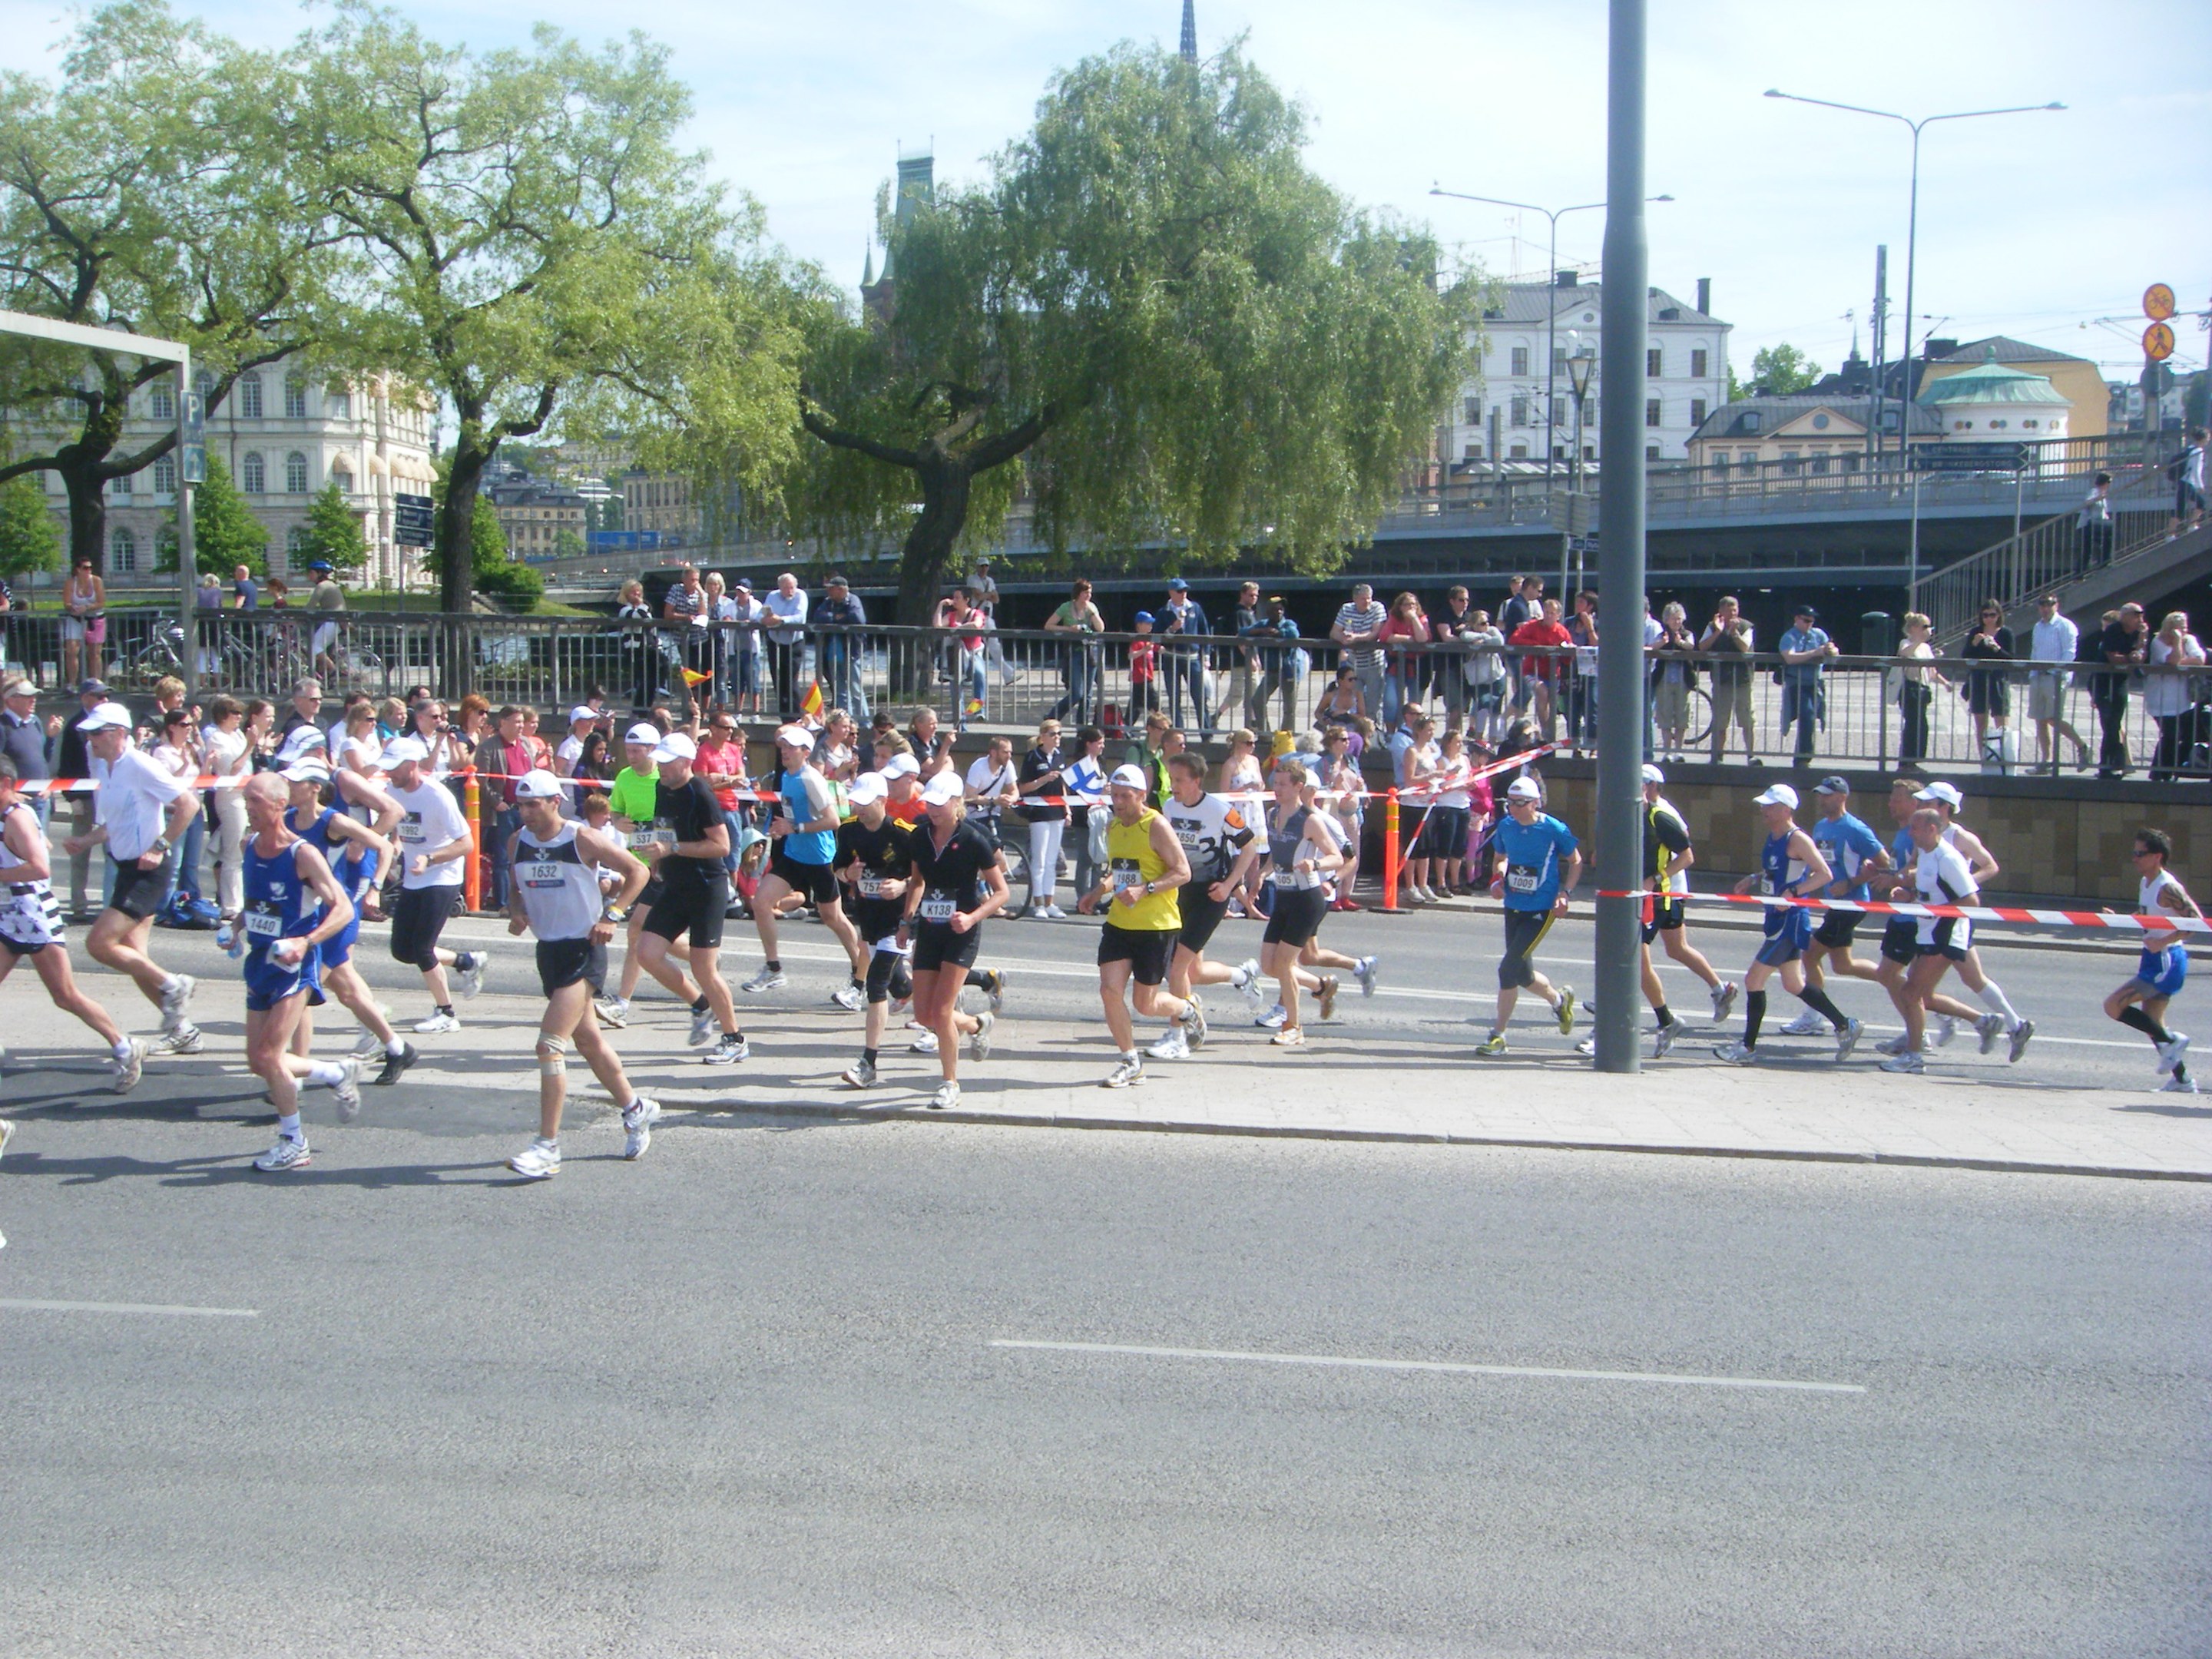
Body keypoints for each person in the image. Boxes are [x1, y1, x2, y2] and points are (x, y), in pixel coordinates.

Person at [500, 768, 660, 1177]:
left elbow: (637, 872)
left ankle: (547, 1146)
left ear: (556, 802)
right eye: (522, 804)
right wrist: (517, 912)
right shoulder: (517, 841)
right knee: (589, 1042)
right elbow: (515, 887)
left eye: (534, 804)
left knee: (549, 1045)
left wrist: (613, 914)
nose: (527, 812)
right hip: (549, 952)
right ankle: (635, 1108)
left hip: (584, 951)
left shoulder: (581, 837)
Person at [59, 701, 204, 1048]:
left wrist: (161, 846)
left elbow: (189, 805)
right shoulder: (105, 767)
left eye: (97, 732)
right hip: (126, 866)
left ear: (120, 734)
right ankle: (182, 1032)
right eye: (88, 732)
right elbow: (117, 822)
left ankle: (173, 983)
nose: (90, 738)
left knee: (98, 943)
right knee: (133, 956)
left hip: (147, 870)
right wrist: (85, 840)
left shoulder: (141, 764)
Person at [0, 757, 144, 1091]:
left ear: (6, 784)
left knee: (65, 995)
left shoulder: (17, 817)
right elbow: (44, 844)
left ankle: (124, 1044)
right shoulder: (14, 815)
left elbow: (41, 867)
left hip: (33, 916)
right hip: (10, 915)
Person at [1710, 783, 1863, 1065]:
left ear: (1785, 810)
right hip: (1774, 916)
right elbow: (1775, 868)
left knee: (1753, 980)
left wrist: (1795, 893)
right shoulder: (1773, 836)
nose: (1763, 811)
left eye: (1769, 806)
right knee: (1794, 984)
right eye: (1763, 805)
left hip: (1790, 920)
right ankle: (1845, 1025)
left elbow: (1824, 874)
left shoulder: (1798, 839)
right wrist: (1754, 879)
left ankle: (1747, 1047)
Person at [628, 731, 748, 1064]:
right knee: (647, 953)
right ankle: (699, 1005)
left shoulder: (701, 794)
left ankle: (734, 1038)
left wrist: (673, 849)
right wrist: (656, 856)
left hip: (707, 886)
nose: (660, 767)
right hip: (676, 882)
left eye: (667, 762)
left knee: (704, 967)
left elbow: (722, 846)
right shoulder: (661, 787)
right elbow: (663, 825)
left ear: (685, 763)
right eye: (660, 760)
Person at [1079, 763, 1202, 1080]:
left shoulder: (1156, 825)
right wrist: (1097, 892)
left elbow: (1183, 872)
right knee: (1109, 991)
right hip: (1120, 924)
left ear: (1141, 796)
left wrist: (1144, 889)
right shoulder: (1114, 827)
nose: (1118, 803)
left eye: (1125, 797)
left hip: (1156, 926)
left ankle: (1187, 1010)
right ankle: (1130, 1062)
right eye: (1114, 796)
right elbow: (1120, 873)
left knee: (1145, 1004)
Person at [903, 770, 1008, 1108]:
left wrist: (973, 916)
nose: (932, 810)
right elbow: (917, 882)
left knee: (943, 1009)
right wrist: (907, 920)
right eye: (929, 803)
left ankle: (949, 1083)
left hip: (962, 931)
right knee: (924, 1015)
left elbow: (1002, 892)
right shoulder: (920, 837)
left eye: (939, 804)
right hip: (930, 929)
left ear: (956, 803)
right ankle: (977, 1024)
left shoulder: (974, 839)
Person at [1908, 780, 2034, 1061]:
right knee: (1966, 979)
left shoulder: (1960, 838)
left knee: (1923, 987)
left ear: (1943, 807)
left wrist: (1963, 886)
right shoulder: (1926, 835)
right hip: (1933, 917)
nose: (1921, 806)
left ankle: (1998, 1024)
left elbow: (1990, 866)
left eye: (1928, 802)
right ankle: (2008, 1025)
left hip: (1954, 916)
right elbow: (1917, 869)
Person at [1153, 751, 1264, 1058]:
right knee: (1194, 972)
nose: (1173, 786)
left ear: (1197, 781)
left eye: (1179, 780)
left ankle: (1178, 1036)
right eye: (1171, 779)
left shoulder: (1220, 810)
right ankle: (1243, 976)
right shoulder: (1170, 807)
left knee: (1176, 968)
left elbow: (1250, 846)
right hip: (1181, 894)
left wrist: (1229, 885)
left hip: (1211, 895)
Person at [744, 725, 865, 1005]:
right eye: (783, 746)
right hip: (794, 854)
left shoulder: (812, 779)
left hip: (819, 857)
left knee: (832, 918)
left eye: (791, 747)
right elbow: (791, 815)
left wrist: (794, 827)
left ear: (806, 752)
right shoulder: (787, 776)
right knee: (761, 902)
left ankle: (862, 975)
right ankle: (773, 969)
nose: (784, 751)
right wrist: (782, 829)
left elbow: (833, 821)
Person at [379, 735, 487, 1032]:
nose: (389, 773)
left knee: (423, 948)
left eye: (394, 768)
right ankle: (466, 962)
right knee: (403, 950)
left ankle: (447, 1013)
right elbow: (399, 824)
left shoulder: (437, 796)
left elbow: (466, 843)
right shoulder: (392, 791)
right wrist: (395, 844)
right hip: (413, 878)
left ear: (412, 766)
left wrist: (431, 858)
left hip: (442, 877)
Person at [1634, 764, 1734, 1051]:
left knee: (1636, 958)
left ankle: (1654, 1018)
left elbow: (1684, 848)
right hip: (1660, 891)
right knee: (1676, 948)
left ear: (1651, 786)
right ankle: (1719, 989)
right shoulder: (1636, 810)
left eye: (1643, 783)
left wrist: (1656, 877)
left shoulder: (1661, 812)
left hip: (1664, 893)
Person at [1878, 807, 1985, 1075]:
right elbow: (1932, 895)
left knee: (1911, 993)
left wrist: (1937, 912)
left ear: (1932, 829)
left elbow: (1972, 901)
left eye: (1915, 828)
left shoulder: (1948, 858)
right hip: (1927, 933)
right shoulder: (1925, 856)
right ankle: (1983, 1022)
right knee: (1921, 995)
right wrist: (1909, 896)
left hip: (1945, 935)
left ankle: (1914, 1055)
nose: (1910, 832)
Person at [1475, 777, 1578, 1055]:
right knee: (1522, 972)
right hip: (1514, 905)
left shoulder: (1553, 829)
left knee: (1508, 969)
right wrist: (1498, 878)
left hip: (1542, 909)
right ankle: (1559, 1001)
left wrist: (1566, 893)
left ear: (1535, 804)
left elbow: (1576, 860)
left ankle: (1498, 1035)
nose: (1513, 809)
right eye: (1509, 802)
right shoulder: (1506, 826)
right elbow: (1500, 857)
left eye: (1519, 803)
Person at [832, 773, 916, 1088]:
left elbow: (925, 875)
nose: (860, 809)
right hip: (870, 918)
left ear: (883, 801)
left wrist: (903, 884)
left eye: (867, 803)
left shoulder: (904, 834)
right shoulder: (849, 830)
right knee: (902, 987)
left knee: (877, 984)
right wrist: (846, 873)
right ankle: (971, 1011)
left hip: (901, 920)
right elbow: (837, 868)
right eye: (857, 802)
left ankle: (868, 1063)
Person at [2104, 828, 2200, 1094]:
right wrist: (2122, 918)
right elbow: (2148, 914)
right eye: (2134, 852)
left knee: (2113, 1006)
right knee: (2152, 1023)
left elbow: (2195, 922)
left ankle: (2173, 1040)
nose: (2135, 858)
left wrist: (2163, 941)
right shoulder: (2146, 882)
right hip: (2152, 958)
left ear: (2157, 856)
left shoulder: (2167, 886)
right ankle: (2183, 1080)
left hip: (2166, 961)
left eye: (2140, 853)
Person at [2027, 594, 2091, 773]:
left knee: (2053, 718)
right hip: (2038, 676)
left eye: (2050, 604)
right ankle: (2046, 760)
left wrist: (2059, 673)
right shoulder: (2038, 627)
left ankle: (2082, 746)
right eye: (2042, 605)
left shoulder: (2065, 625)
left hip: (2056, 677)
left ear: (2057, 605)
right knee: (2040, 719)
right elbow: (2035, 650)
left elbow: (2069, 652)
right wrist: (2033, 673)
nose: (2046, 608)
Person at [1016, 717, 1070, 918]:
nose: (1057, 738)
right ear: (1042, 737)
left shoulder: (1060, 755)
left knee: (1051, 859)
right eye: (1053, 734)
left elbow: (1063, 784)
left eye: (1059, 734)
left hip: (1057, 811)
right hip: (1039, 811)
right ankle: (1038, 902)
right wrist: (1043, 780)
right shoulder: (1033, 757)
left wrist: (1067, 808)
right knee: (1039, 859)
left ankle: (1050, 902)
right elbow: (1024, 787)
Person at [2145, 610, 2206, 783]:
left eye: (2185, 628)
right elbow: (2172, 661)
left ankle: (2173, 768)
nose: (2184, 632)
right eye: (2180, 629)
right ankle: (2159, 771)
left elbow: (2199, 659)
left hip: (2184, 699)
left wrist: (2180, 661)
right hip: (2162, 699)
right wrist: (2178, 643)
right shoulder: (2158, 642)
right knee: (2170, 735)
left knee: (2189, 736)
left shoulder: (2190, 640)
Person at [2092, 603, 2149, 779]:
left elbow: (2140, 655)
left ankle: (2114, 763)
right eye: (2136, 615)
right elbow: (2113, 658)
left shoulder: (2137, 632)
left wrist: (2142, 640)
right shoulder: (2113, 630)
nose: (2140, 618)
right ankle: (2108, 765)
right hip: (2103, 682)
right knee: (2109, 723)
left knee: (2115, 723)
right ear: (2125, 616)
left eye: (2141, 615)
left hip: (2120, 682)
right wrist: (2129, 658)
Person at [1776, 604, 1836, 767]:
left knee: (1813, 716)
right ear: (1797, 619)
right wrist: (1815, 653)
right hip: (1797, 683)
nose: (1810, 624)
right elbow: (1790, 658)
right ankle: (1803, 757)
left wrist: (1831, 650)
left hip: (1815, 683)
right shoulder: (1789, 636)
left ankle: (1805, 754)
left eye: (1812, 621)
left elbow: (1833, 651)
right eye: (1806, 620)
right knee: (1807, 715)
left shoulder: (1818, 634)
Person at [1698, 597, 1756, 763]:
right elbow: (1702, 646)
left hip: (1743, 681)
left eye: (1735, 610)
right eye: (1729, 610)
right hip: (1722, 681)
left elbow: (1745, 648)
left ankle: (1751, 755)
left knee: (1747, 720)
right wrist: (1718, 631)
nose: (1733, 613)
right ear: (1721, 611)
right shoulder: (1712, 626)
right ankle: (1717, 756)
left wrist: (1734, 633)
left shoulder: (1746, 626)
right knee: (1720, 721)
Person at [1508, 596, 1571, 743]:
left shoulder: (1562, 632)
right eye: (1546, 612)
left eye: (1552, 613)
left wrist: (1566, 651)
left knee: (1547, 703)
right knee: (1542, 693)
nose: (1548, 616)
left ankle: (1546, 735)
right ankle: (1546, 734)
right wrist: (1535, 645)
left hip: (1553, 674)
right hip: (1532, 671)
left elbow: (1568, 656)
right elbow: (1514, 639)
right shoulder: (1533, 626)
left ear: (1558, 615)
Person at [1043, 580, 1107, 724]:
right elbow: (1049, 625)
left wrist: (1093, 614)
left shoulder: (1091, 608)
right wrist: (1069, 629)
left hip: (1090, 652)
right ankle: (1052, 717)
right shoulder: (1066, 607)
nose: (1088, 596)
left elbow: (1101, 628)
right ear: (1078, 593)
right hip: (1074, 651)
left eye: (1090, 593)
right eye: (1086, 593)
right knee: (1077, 693)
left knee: (1088, 695)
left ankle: (1082, 726)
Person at [1961, 601, 2015, 757]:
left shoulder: (2006, 633)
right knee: (1980, 721)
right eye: (1986, 615)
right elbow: (1966, 656)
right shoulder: (1976, 632)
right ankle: (1984, 756)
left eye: (1993, 615)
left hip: (1998, 679)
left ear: (1999, 615)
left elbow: (2010, 657)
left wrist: (1996, 648)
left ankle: (2003, 756)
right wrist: (1974, 643)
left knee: (2002, 720)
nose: (1989, 619)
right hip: (1978, 679)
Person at [1895, 613, 1950, 766]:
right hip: (1910, 689)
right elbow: (1904, 654)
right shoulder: (1905, 642)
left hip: (1923, 690)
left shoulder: (1926, 647)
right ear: (1914, 628)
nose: (1928, 630)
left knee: (1922, 727)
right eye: (1925, 627)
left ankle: (1916, 760)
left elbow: (1931, 672)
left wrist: (1945, 683)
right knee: (1913, 725)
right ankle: (1906, 761)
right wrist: (1918, 641)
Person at [1158, 578, 1211, 735]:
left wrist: (1206, 655)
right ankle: (1178, 734)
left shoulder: (1195, 608)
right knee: (1174, 699)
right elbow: (1158, 635)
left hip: (1192, 657)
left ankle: (1206, 733)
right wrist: (1172, 629)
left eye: (1185, 591)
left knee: (1199, 697)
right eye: (1180, 591)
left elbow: (1205, 632)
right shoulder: (1164, 612)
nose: (1183, 594)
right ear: (1171, 593)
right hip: (1171, 657)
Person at [1062, 724, 1110, 899]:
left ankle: (1095, 896)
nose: (1102, 746)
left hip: (1100, 814)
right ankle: (1082, 897)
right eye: (1099, 743)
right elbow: (1078, 791)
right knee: (1086, 859)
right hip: (1084, 817)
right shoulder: (1080, 765)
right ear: (1089, 744)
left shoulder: (1101, 762)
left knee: (1099, 857)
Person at [1243, 595, 1303, 733]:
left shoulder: (1288, 624)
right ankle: (1266, 735)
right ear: (1268, 611)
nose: (1279, 612)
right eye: (1276, 609)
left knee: (1289, 708)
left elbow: (1294, 634)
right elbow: (1243, 632)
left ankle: (1285, 737)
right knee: (1257, 701)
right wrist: (1261, 631)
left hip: (1288, 670)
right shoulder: (1263, 624)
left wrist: (1278, 633)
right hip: (1271, 671)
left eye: (1281, 609)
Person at [1331, 582, 1389, 719]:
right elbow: (1334, 633)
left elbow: (1375, 633)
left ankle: (1374, 733)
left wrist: (1355, 638)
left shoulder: (1378, 608)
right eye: (1363, 598)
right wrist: (1343, 638)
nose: (1367, 601)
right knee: (1353, 703)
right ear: (1355, 599)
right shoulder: (1346, 609)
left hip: (1374, 664)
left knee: (1373, 704)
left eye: (1369, 598)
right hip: (1353, 665)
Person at [1377, 591, 1432, 728]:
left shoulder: (1422, 619)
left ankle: (1413, 732)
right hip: (1396, 666)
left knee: (1414, 704)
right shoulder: (1394, 618)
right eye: (1407, 605)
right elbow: (1385, 636)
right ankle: (1390, 733)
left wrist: (1414, 619)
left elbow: (1423, 639)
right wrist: (1408, 639)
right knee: (1391, 701)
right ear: (1400, 606)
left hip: (1416, 667)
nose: (1411, 607)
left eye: (1414, 604)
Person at [763, 571, 809, 719]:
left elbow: (800, 617)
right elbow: (760, 614)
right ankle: (784, 717)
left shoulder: (800, 596)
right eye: (786, 588)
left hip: (794, 642)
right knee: (778, 681)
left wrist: (781, 620)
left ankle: (796, 716)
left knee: (790, 681)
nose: (789, 591)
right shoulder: (772, 596)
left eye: (792, 587)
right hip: (774, 642)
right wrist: (764, 620)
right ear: (779, 587)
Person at [1562, 591, 1599, 755]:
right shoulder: (1569, 622)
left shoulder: (1598, 623)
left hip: (1592, 673)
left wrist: (1590, 627)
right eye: (1576, 602)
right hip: (1572, 671)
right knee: (1572, 710)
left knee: (1592, 708)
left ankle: (1593, 746)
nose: (1577, 606)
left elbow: (1597, 645)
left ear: (1590, 606)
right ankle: (1574, 745)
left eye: (1581, 603)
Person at [60, 557, 104, 687]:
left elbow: (101, 602)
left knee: (95, 652)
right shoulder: (70, 583)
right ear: (78, 570)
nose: (89, 570)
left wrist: (87, 607)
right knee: (72, 650)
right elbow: (66, 602)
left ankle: (96, 683)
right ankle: (72, 683)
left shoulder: (96, 581)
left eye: (90, 568)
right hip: (75, 618)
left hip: (95, 618)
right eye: (85, 568)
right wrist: (72, 607)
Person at [307, 561, 346, 680]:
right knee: (322, 649)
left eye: (311, 573)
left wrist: (294, 617)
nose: (309, 576)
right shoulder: (330, 584)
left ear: (319, 574)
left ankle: (334, 671)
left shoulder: (322, 586)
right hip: (336, 621)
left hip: (332, 621)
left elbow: (310, 607)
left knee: (315, 647)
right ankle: (325, 676)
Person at [2168, 426, 2206, 538]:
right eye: (2208, 438)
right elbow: (2196, 470)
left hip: (2183, 482)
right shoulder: (2198, 452)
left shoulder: (2190, 449)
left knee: (2185, 508)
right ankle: (2176, 532)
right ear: (2203, 439)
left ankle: (2188, 527)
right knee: (2198, 504)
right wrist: (2200, 486)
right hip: (2188, 483)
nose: (2208, 440)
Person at [2078, 472, 2114, 570]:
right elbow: (2087, 503)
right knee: (2087, 549)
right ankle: (2080, 572)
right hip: (2088, 523)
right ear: (2105, 482)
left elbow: (2102, 511)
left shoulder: (2103, 495)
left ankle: (2104, 562)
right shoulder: (2094, 491)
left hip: (2098, 523)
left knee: (2106, 540)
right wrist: (2098, 498)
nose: (2109, 485)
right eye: (2109, 482)